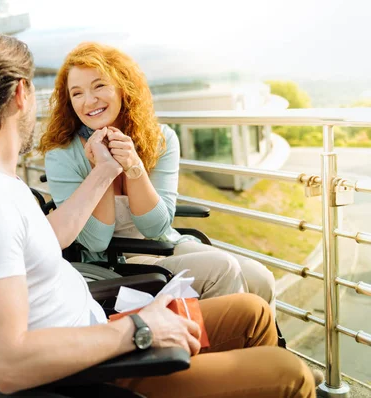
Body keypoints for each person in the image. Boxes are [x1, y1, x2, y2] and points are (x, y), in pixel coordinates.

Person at [0, 30, 315, 397]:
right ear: (21, 94)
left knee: (252, 314)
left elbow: (52, 238)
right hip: (98, 372)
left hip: (98, 332)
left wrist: (106, 172)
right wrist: (140, 327)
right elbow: (8, 365)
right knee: (291, 375)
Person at [39, 42, 276, 312]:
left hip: (163, 245)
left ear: (123, 87)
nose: (89, 100)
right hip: (111, 262)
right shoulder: (61, 155)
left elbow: (156, 228)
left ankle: (259, 349)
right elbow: (96, 241)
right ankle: (220, 345)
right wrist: (103, 169)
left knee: (261, 278)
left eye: (99, 86)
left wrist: (134, 166)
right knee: (221, 268)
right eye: (77, 93)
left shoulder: (162, 139)